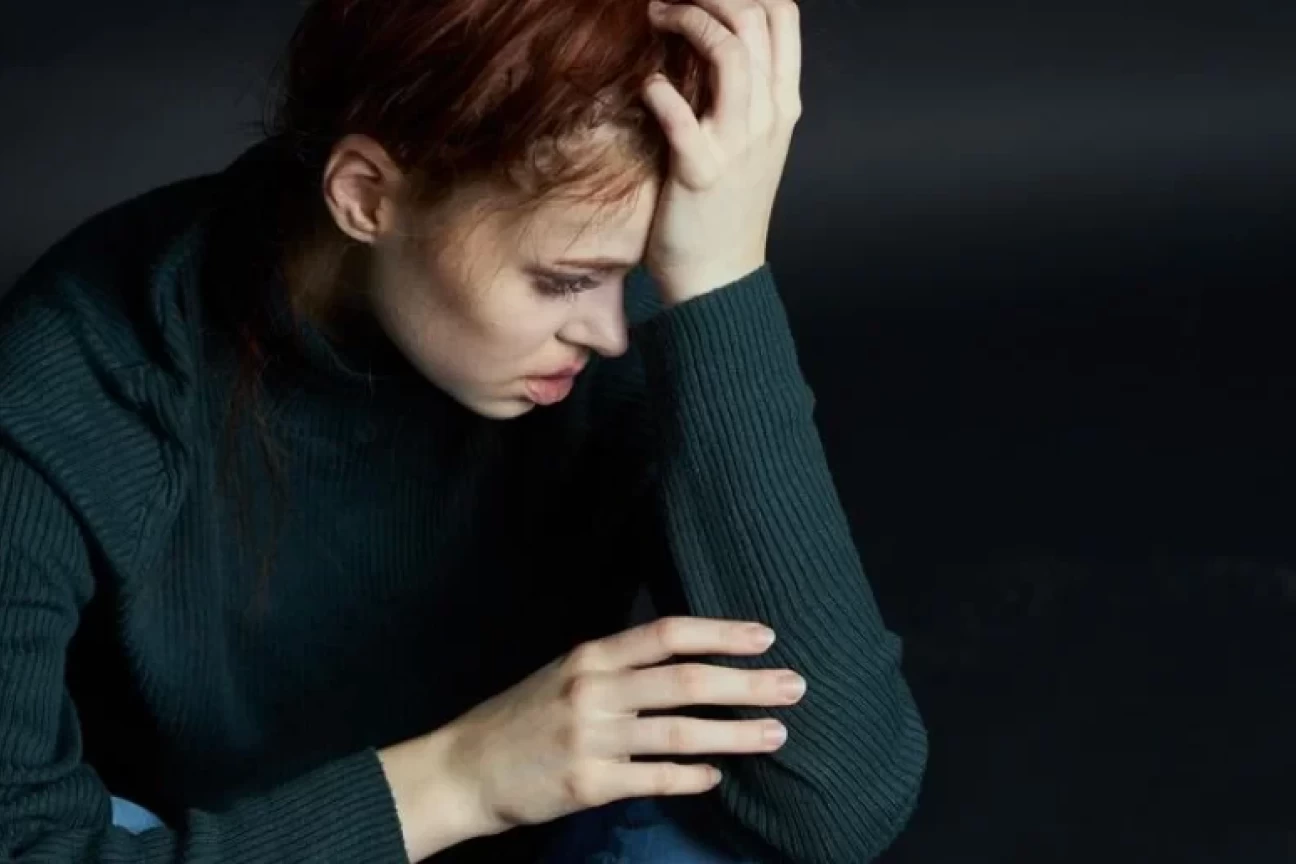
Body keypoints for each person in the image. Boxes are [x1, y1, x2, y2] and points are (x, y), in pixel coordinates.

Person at [0, 0, 927, 862]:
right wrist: (459, 778)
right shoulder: (80, 375)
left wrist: (720, 281)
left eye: (640, 267)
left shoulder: (627, 331)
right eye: (564, 280)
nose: (610, 333)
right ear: (367, 195)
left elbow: (840, 805)